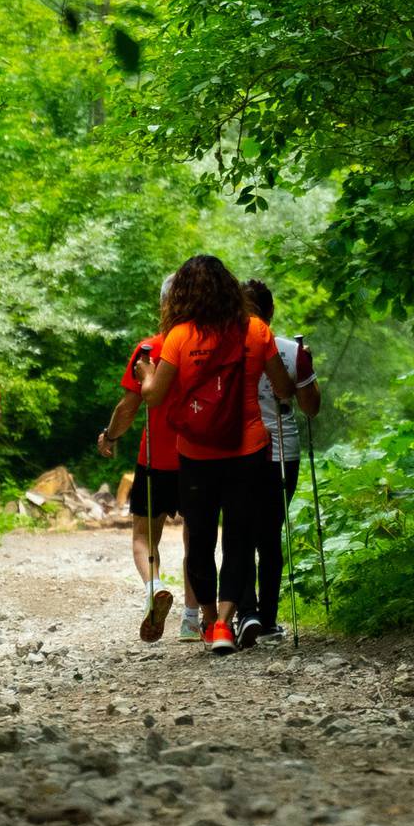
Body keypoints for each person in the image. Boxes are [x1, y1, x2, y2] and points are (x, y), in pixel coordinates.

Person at [138, 255, 294, 656]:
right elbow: (283, 389)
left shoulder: (178, 337)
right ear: (229, 288)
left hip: (196, 452)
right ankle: (226, 622)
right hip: (249, 450)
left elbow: (154, 397)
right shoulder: (257, 330)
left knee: (202, 540)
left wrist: (145, 376)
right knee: (239, 538)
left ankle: (208, 620)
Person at [96, 278, 203, 643]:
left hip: (155, 460)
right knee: (196, 540)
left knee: (143, 537)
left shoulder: (149, 349)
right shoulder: (205, 348)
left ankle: (155, 586)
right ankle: (191, 621)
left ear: (164, 305)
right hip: (199, 457)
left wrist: (109, 436)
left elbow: (128, 407)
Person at [242, 279, 321, 643]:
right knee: (269, 533)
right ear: (270, 312)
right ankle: (268, 619)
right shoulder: (293, 351)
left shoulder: (227, 349)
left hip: (236, 450)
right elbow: (310, 408)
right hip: (280, 451)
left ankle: (245, 613)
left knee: (240, 533)